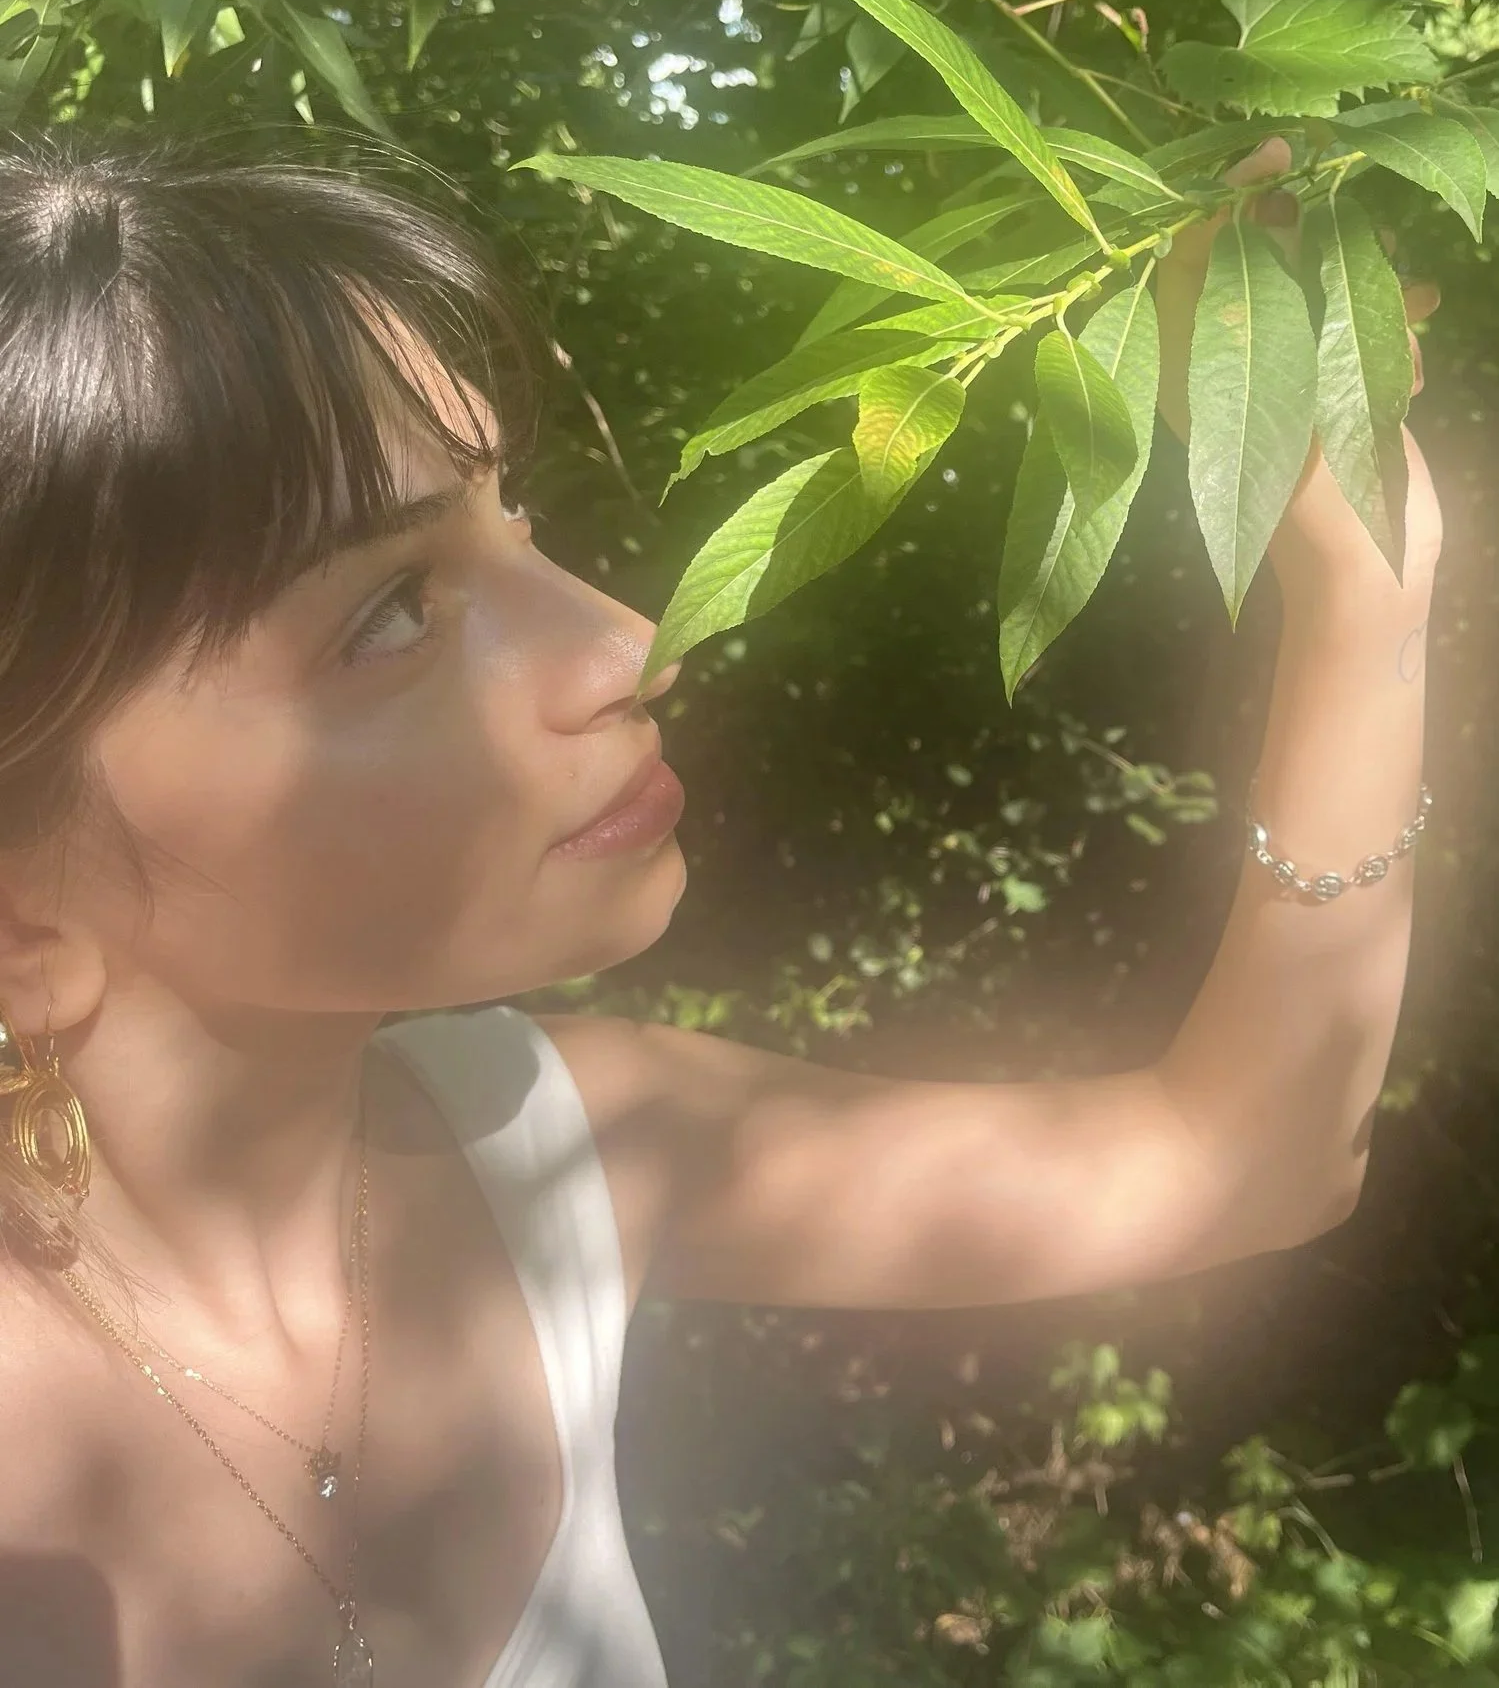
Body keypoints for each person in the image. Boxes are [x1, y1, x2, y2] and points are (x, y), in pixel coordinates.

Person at [0, 127, 1439, 1688]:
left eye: (514, 520)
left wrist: (1369, 583)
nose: (636, 639)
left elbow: (1244, 1160)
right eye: (392, 612)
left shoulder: (546, 1150)